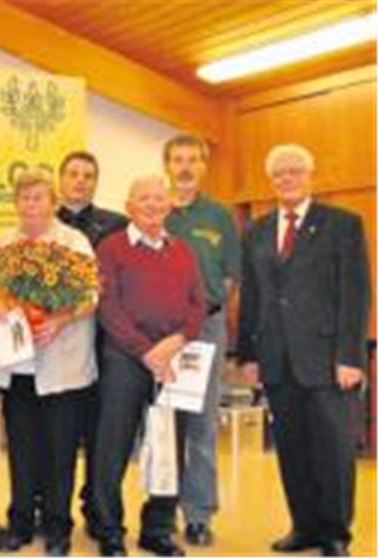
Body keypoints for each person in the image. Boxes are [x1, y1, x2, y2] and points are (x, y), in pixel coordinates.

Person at [237, 144, 370, 558]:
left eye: (295, 171)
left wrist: (350, 356)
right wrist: (247, 355)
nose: (287, 178)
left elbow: (355, 294)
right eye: (279, 173)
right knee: (291, 449)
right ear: (271, 180)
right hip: (277, 361)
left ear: (311, 176)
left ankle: (334, 534)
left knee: (332, 451)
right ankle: (304, 526)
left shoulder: (343, 224)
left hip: (329, 361)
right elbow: (252, 296)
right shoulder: (256, 231)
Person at [0, 171, 97, 556]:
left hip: (63, 366)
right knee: (23, 449)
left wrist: (60, 318)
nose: (30, 204)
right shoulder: (4, 242)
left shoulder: (73, 241)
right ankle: (20, 522)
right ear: (16, 203)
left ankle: (58, 527)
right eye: (24, 198)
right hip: (19, 367)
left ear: (53, 203)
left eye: (38, 198)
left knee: (61, 451)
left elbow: (91, 293)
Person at [92, 175, 206, 557]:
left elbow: (198, 304)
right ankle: (109, 529)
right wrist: (145, 351)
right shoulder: (110, 249)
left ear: (169, 205)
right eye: (144, 199)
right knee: (113, 446)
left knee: (169, 446)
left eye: (159, 199)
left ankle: (157, 529)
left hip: (174, 361)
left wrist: (175, 343)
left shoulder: (183, 250)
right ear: (129, 206)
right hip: (125, 360)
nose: (153, 205)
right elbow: (109, 308)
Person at [162, 135, 241, 547]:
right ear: (167, 166)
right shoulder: (157, 210)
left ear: (204, 167)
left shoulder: (220, 216)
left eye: (193, 160)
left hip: (206, 330)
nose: (186, 167)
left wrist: (202, 316)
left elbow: (229, 278)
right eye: (178, 160)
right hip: (158, 335)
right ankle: (160, 511)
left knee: (201, 424)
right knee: (161, 423)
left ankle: (198, 514)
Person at [54, 150, 128, 538]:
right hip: (57, 344)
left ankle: (99, 511)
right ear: (60, 179)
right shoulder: (43, 223)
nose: (80, 181)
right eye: (73, 174)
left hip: (107, 343)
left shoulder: (117, 225)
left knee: (103, 437)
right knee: (60, 435)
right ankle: (53, 513)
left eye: (88, 175)